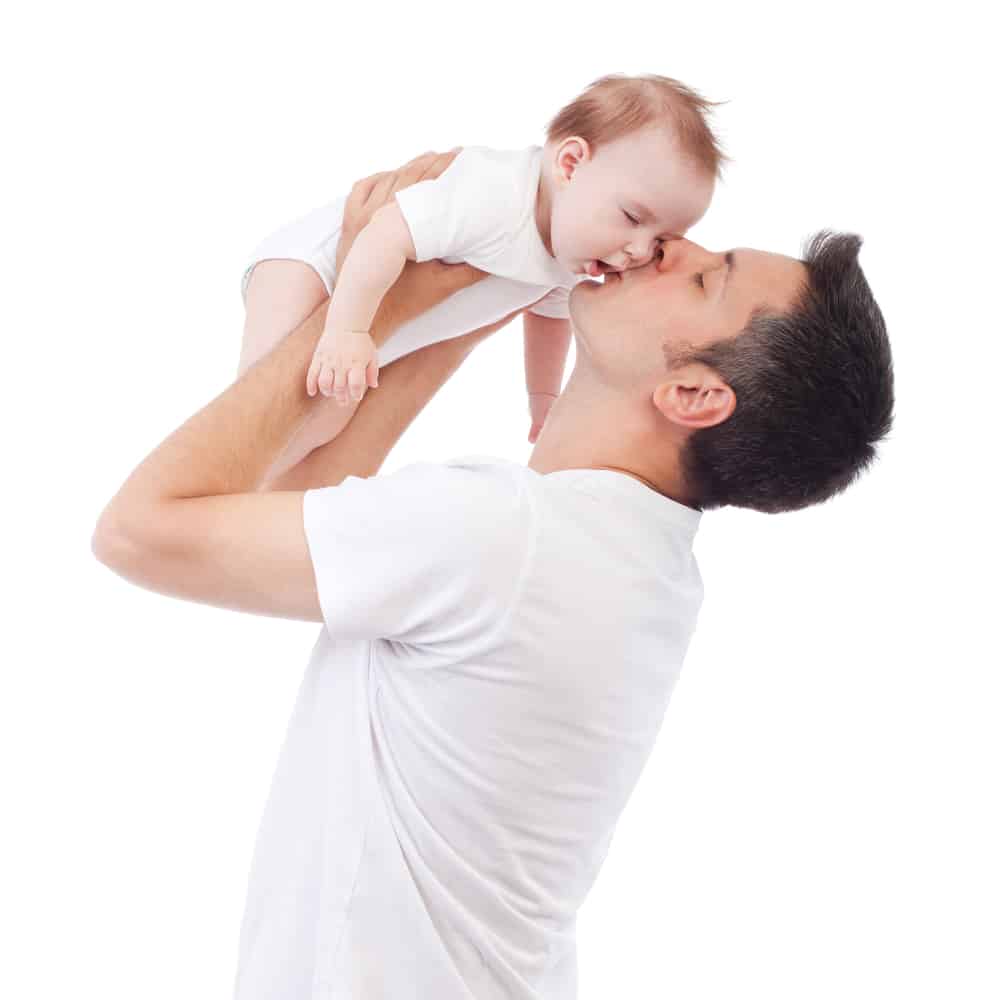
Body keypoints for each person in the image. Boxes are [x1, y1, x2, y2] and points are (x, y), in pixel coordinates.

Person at [92, 147, 894, 998]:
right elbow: (304, 497)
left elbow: (138, 532)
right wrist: (475, 279)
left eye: (706, 280)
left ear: (694, 397)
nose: (672, 247)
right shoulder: (631, 562)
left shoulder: (505, 537)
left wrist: (386, 302)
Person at [243, 73, 722, 453]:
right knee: (264, 403)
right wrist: (346, 331)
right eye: (632, 217)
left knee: (319, 423)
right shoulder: (493, 195)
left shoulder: (573, 254)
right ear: (571, 164)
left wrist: (543, 398)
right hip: (309, 266)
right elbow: (382, 234)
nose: (639, 251)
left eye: (662, 239)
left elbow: (550, 319)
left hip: (372, 324)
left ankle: (251, 496)